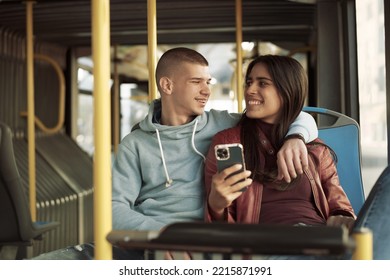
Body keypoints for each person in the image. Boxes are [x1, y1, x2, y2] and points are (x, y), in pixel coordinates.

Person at [32, 47, 318, 260]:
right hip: (151, 242)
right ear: (166, 85)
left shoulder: (226, 124)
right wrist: (164, 236)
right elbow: (113, 209)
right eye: (197, 82)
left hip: (209, 245)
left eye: (208, 82)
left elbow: (287, 113)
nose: (207, 90)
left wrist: (296, 136)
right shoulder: (135, 144)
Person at [204, 54, 356, 229]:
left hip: (318, 238)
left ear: (287, 91)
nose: (249, 90)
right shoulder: (228, 142)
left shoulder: (314, 148)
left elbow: (340, 205)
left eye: (262, 83)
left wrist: (342, 218)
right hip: (267, 245)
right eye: (249, 82)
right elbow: (223, 229)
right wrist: (216, 205)